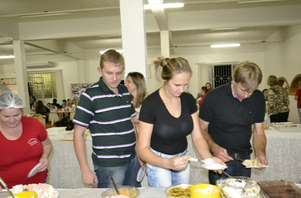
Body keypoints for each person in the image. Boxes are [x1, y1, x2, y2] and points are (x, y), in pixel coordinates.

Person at [138, 57, 225, 188]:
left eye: (186, 84)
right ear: (166, 80)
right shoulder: (151, 104)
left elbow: (197, 137)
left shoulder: (188, 100)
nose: (182, 90)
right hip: (159, 161)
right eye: (177, 85)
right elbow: (143, 150)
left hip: (183, 157)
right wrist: (168, 163)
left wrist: (208, 158)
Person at [73, 49, 141, 188]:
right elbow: (78, 133)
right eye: (109, 73)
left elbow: (131, 121)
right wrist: (85, 169)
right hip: (109, 165)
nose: (115, 78)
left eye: (119, 73)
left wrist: (139, 152)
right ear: (100, 70)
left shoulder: (124, 91)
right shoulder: (90, 95)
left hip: (132, 159)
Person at [199, 61, 268, 185]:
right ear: (233, 81)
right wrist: (214, 148)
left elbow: (258, 131)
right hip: (220, 160)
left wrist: (260, 153)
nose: (247, 96)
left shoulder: (258, 98)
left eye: (251, 91)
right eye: (243, 90)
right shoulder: (213, 97)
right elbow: (201, 129)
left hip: (245, 160)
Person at [0, 92, 52, 192]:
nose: (12, 120)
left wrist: (44, 156)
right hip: (6, 190)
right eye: (6, 117)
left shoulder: (34, 125)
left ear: (21, 111)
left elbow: (47, 144)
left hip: (38, 185)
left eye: (16, 115)